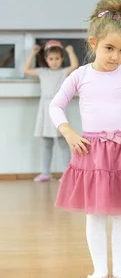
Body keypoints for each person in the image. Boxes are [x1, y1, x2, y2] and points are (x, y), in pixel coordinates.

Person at [49, 0, 121, 278]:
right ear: (93, 42)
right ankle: (100, 271)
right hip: (91, 153)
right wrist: (69, 133)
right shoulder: (80, 76)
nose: (115, 56)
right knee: (95, 214)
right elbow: (55, 106)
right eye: (109, 48)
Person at [24, 40, 78, 182]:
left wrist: (70, 51)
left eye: (57, 59)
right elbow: (26, 70)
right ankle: (45, 173)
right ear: (46, 59)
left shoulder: (62, 72)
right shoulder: (42, 72)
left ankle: (67, 173)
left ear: (61, 59)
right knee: (46, 143)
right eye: (51, 59)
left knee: (62, 142)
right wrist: (33, 53)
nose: (54, 62)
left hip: (58, 108)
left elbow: (74, 66)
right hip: (44, 109)